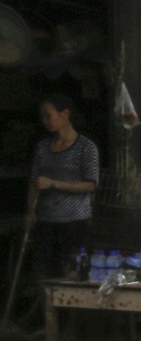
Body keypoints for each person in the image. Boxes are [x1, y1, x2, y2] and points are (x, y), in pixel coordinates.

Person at [29, 93, 99, 284]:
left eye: (48, 115)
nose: (44, 121)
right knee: (44, 275)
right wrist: (30, 212)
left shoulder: (86, 147)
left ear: (65, 114)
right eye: (42, 117)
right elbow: (34, 182)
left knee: (72, 277)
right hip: (46, 221)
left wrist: (54, 183)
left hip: (74, 222)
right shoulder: (43, 147)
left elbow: (91, 184)